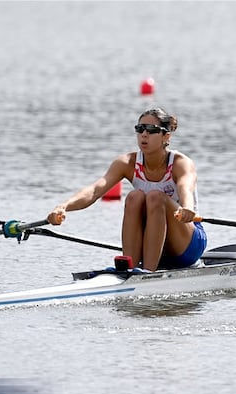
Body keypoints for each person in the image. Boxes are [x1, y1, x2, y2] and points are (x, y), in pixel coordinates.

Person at [47, 107, 207, 271]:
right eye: (140, 129)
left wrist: (187, 208)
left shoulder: (181, 163)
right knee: (134, 197)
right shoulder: (126, 163)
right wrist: (63, 206)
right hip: (155, 242)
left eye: (151, 130)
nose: (144, 134)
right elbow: (95, 191)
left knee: (155, 197)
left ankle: (147, 273)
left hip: (187, 244)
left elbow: (185, 188)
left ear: (166, 136)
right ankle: (130, 267)